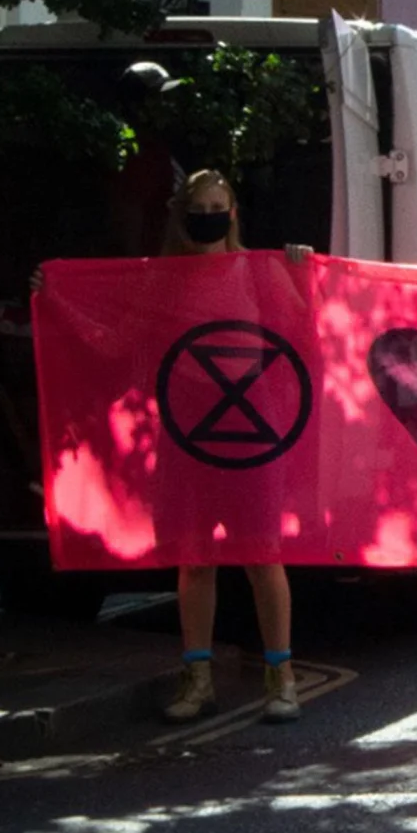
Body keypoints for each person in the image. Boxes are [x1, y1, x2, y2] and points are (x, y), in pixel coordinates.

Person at [159, 170, 300, 724]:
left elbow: (305, 328)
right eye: (200, 205)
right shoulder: (163, 279)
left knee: (262, 555)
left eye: (219, 204)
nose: (210, 214)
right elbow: (121, 338)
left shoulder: (257, 272)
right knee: (194, 559)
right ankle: (197, 680)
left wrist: (299, 274)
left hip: (251, 429)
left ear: (234, 212)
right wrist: (51, 297)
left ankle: (281, 676)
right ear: (183, 213)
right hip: (186, 429)